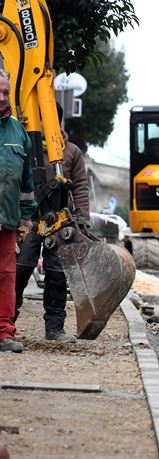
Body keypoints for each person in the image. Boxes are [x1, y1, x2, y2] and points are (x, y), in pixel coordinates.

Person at [15, 104, 89, 343]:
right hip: (30, 220)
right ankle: (6, 324)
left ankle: (55, 329)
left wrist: (83, 219)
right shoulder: (25, 147)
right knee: (19, 270)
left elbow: (80, 187)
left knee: (57, 275)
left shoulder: (70, 152)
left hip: (60, 223)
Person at [0, 73, 36, 353]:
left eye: (5, 92)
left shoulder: (18, 133)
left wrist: (26, 219)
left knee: (6, 276)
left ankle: (4, 333)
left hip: (8, 220)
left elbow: (26, 184)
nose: (1, 98)